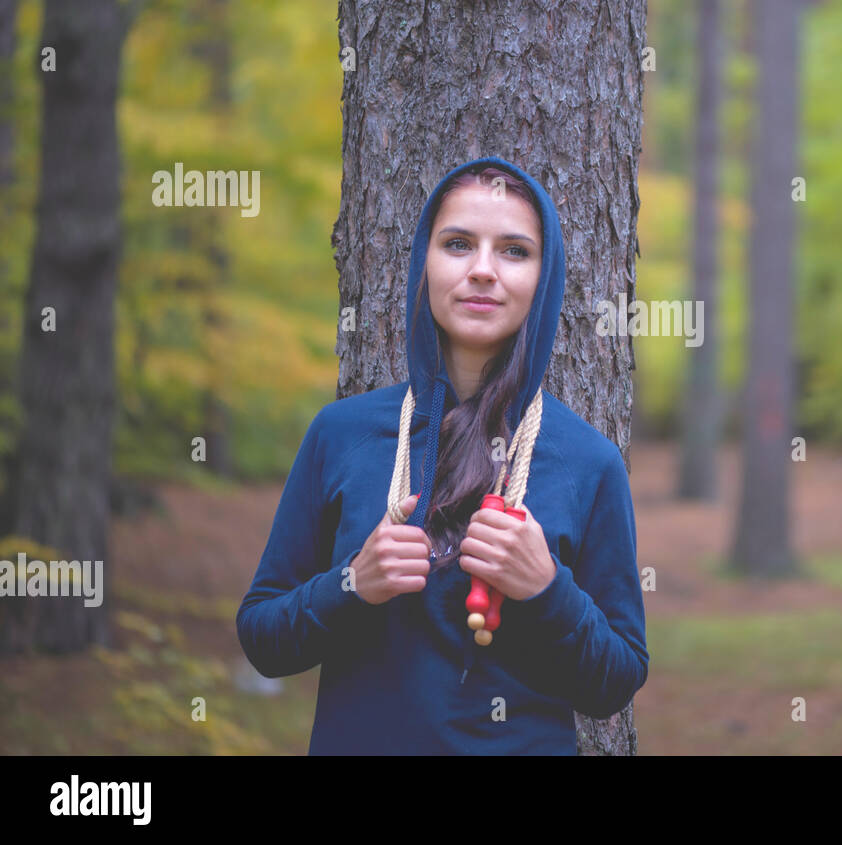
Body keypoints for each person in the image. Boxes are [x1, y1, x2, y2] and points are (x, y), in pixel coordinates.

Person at [236, 156, 649, 754]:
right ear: (422, 265)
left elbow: (614, 682)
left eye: (514, 251)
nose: (483, 270)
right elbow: (262, 639)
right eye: (458, 244)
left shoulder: (589, 462)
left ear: (545, 275)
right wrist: (354, 582)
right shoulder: (342, 433)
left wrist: (546, 589)